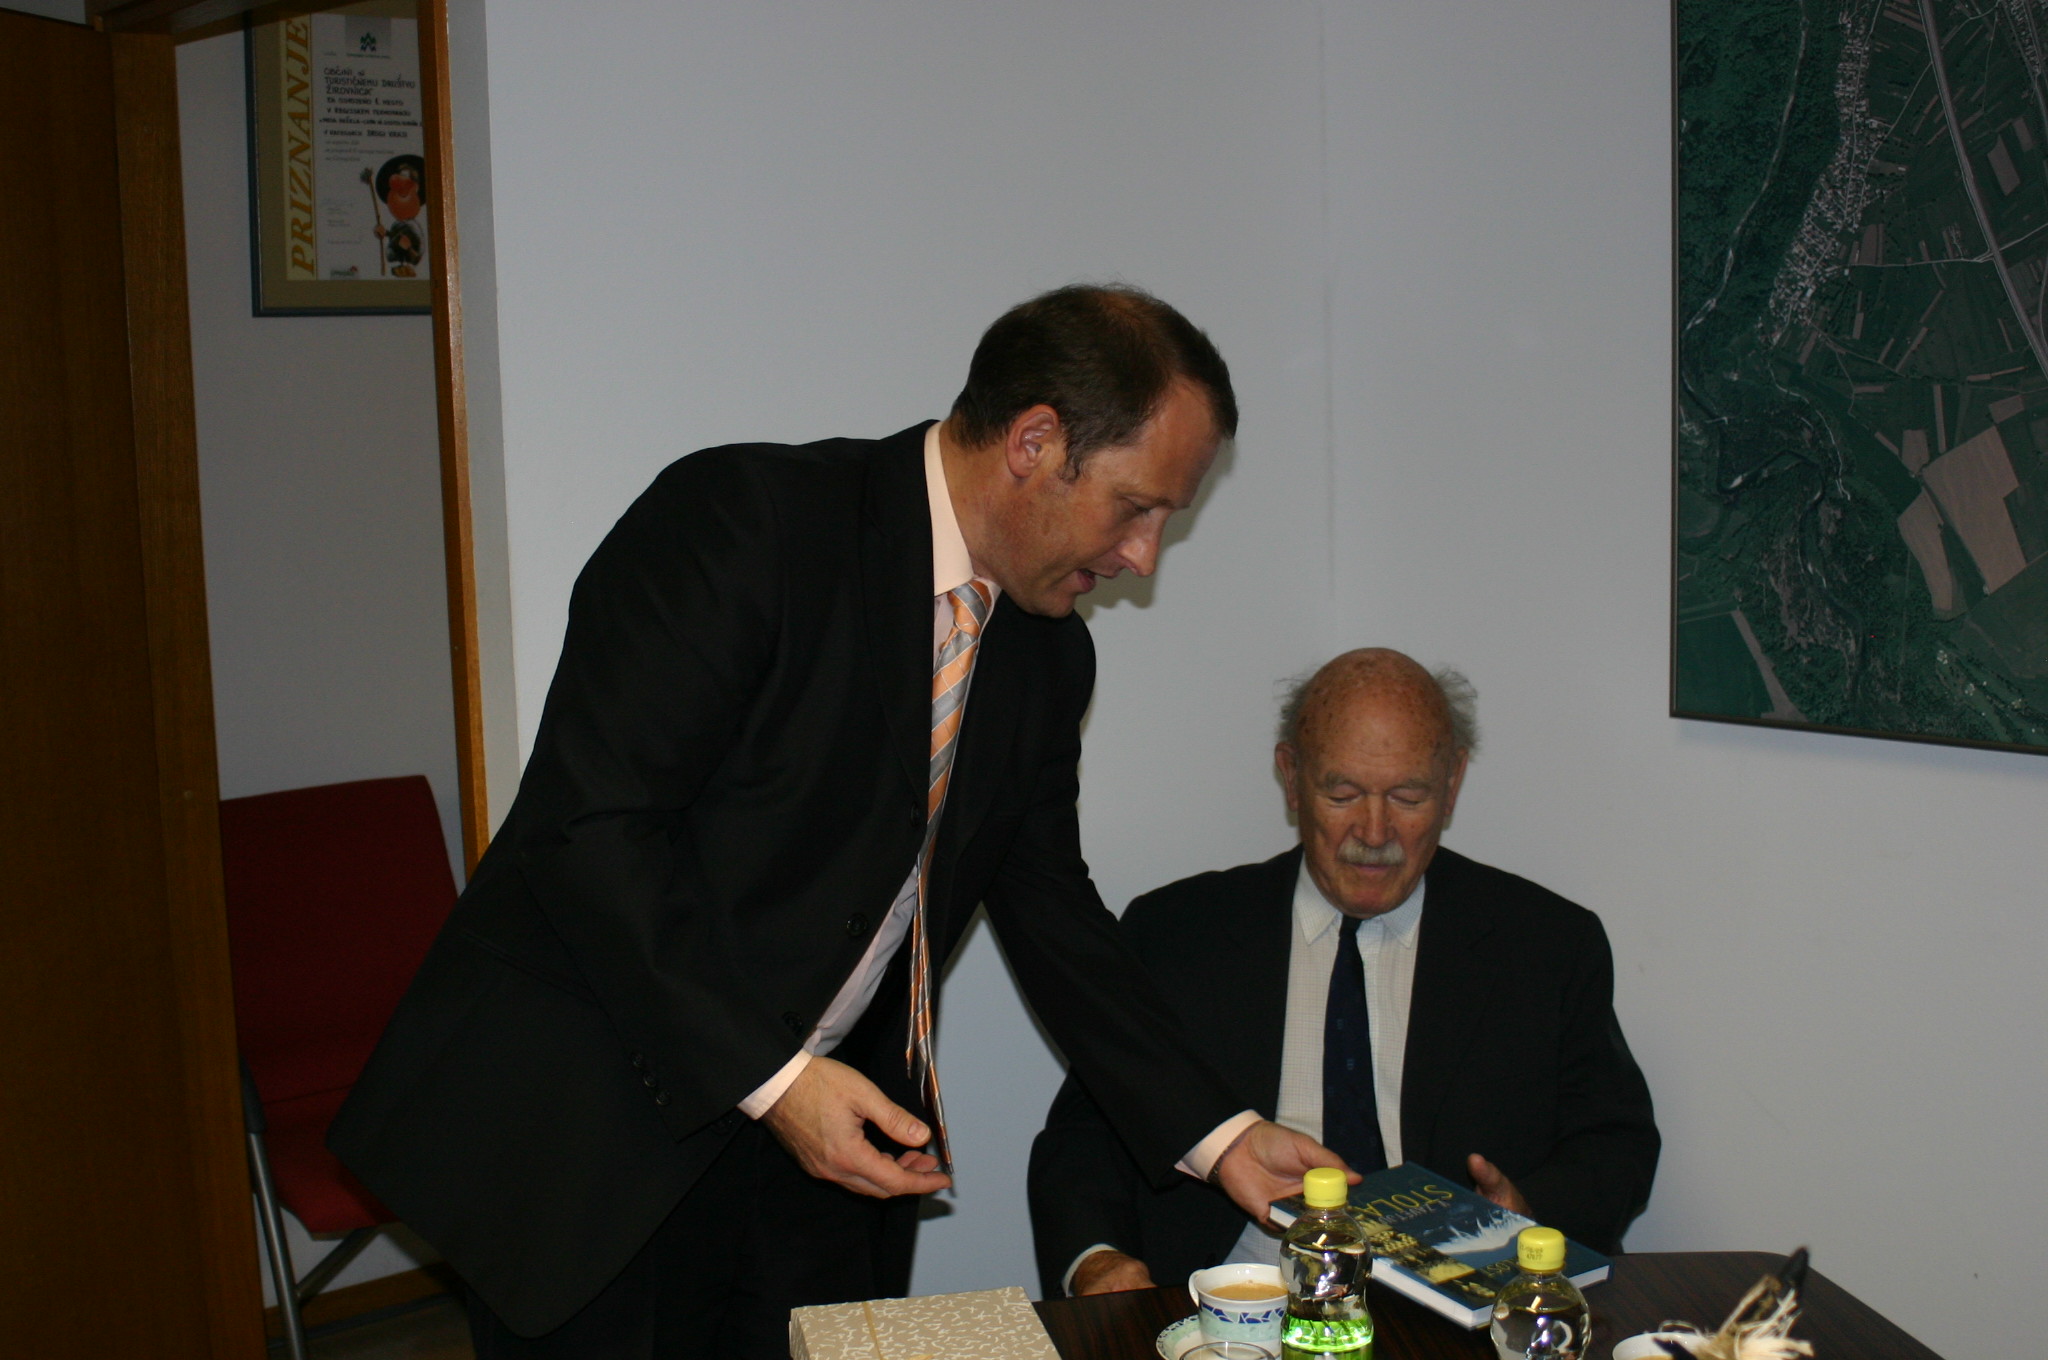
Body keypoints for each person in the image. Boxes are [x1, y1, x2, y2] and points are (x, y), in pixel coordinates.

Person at [329, 285, 1347, 1359]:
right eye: (1135, 507)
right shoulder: (746, 522)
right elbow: (590, 829)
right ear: (1035, 442)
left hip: (820, 1151)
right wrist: (773, 1081)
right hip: (605, 1125)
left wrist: (1218, 1132)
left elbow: (1051, 904)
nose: (1144, 555)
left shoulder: (1047, 655)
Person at [1028, 648, 1659, 1298]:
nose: (1375, 831)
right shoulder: (1176, 932)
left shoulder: (1547, 944)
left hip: (1459, 1311)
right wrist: (1098, 1264)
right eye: (1342, 794)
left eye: (1408, 796)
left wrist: (1528, 1215)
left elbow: (1616, 1141)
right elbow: (1086, 1135)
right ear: (1291, 777)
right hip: (1236, 1303)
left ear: (1452, 784)